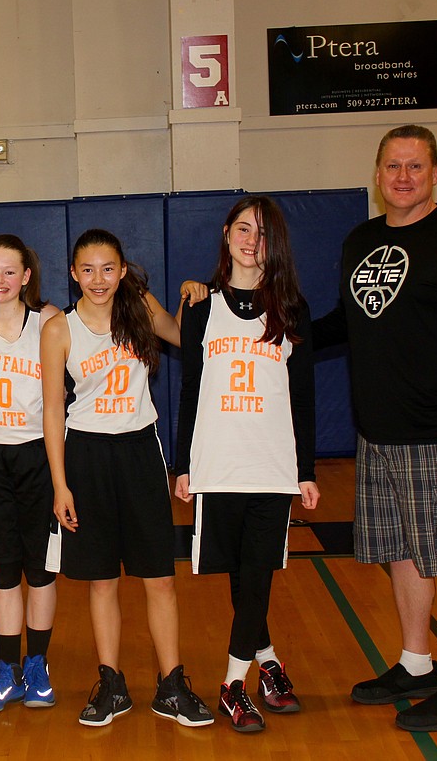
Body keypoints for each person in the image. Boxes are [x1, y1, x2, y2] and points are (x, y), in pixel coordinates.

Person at [312, 125, 437, 732]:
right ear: (377, 173)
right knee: (400, 553)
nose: (403, 176)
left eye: (415, 167)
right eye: (393, 165)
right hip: (379, 435)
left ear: (434, 174)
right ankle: (418, 663)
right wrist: (275, 334)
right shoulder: (361, 240)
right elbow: (348, 320)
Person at [41, 228, 213, 729]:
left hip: (140, 450)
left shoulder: (138, 305)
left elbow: (184, 337)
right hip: (86, 455)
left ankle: (171, 684)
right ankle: (111, 684)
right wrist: (60, 484)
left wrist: (192, 298)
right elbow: (53, 412)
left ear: (122, 270)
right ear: (73, 273)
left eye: (108, 268)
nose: (99, 279)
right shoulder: (60, 330)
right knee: (101, 581)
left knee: (159, 577)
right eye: (88, 270)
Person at [172, 197, 319, 733]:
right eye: (242, 228)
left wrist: (306, 470)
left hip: (272, 464)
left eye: (261, 232)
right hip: (218, 462)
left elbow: (302, 398)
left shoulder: (292, 309)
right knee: (240, 575)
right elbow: (189, 389)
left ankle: (232, 686)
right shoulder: (200, 307)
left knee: (257, 574)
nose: (251, 240)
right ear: (226, 233)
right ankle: (270, 663)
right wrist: (183, 463)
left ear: (273, 242)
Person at [0, 235, 62, 713]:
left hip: (40, 456)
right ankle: (8, 669)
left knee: (40, 568)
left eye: (9, 272)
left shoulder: (48, 321)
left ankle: (37, 664)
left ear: (26, 277)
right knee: (2, 569)